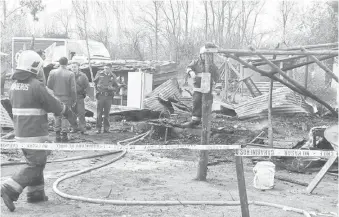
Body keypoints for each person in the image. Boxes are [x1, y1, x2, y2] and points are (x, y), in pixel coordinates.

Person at [1, 50, 75, 212]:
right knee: (36, 164)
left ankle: (35, 194)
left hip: (21, 134)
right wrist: (67, 111)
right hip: (34, 133)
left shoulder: (13, 86)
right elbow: (53, 105)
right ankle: (11, 187)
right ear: (34, 67)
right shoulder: (36, 85)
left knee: (34, 162)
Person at [182, 42, 219, 128]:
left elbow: (217, 77)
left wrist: (218, 87)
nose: (206, 57)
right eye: (204, 55)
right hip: (198, 87)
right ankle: (195, 121)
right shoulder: (195, 62)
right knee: (196, 101)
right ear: (201, 55)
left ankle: (206, 121)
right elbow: (188, 67)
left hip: (208, 88)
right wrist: (190, 72)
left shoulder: (212, 66)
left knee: (208, 103)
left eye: (208, 55)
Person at [47, 57, 77, 142]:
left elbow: (49, 85)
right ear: (67, 63)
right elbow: (73, 89)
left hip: (56, 97)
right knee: (65, 116)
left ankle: (57, 135)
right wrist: (74, 99)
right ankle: (64, 135)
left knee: (57, 115)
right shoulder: (70, 74)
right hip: (66, 98)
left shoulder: (52, 72)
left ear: (59, 63)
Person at [93, 64, 122, 134]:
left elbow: (117, 87)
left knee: (107, 113)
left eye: (107, 68)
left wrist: (112, 89)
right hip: (100, 96)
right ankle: (98, 128)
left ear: (110, 69)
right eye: (104, 68)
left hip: (109, 97)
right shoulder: (99, 74)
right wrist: (97, 91)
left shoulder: (113, 76)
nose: (105, 69)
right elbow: (95, 83)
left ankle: (106, 128)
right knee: (99, 113)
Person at [70, 62, 89, 134]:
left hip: (80, 96)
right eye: (72, 67)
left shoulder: (83, 76)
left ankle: (82, 129)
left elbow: (87, 86)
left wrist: (87, 95)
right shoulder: (69, 75)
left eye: (75, 67)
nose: (73, 68)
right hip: (71, 97)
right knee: (72, 113)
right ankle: (74, 128)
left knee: (81, 113)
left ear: (78, 67)